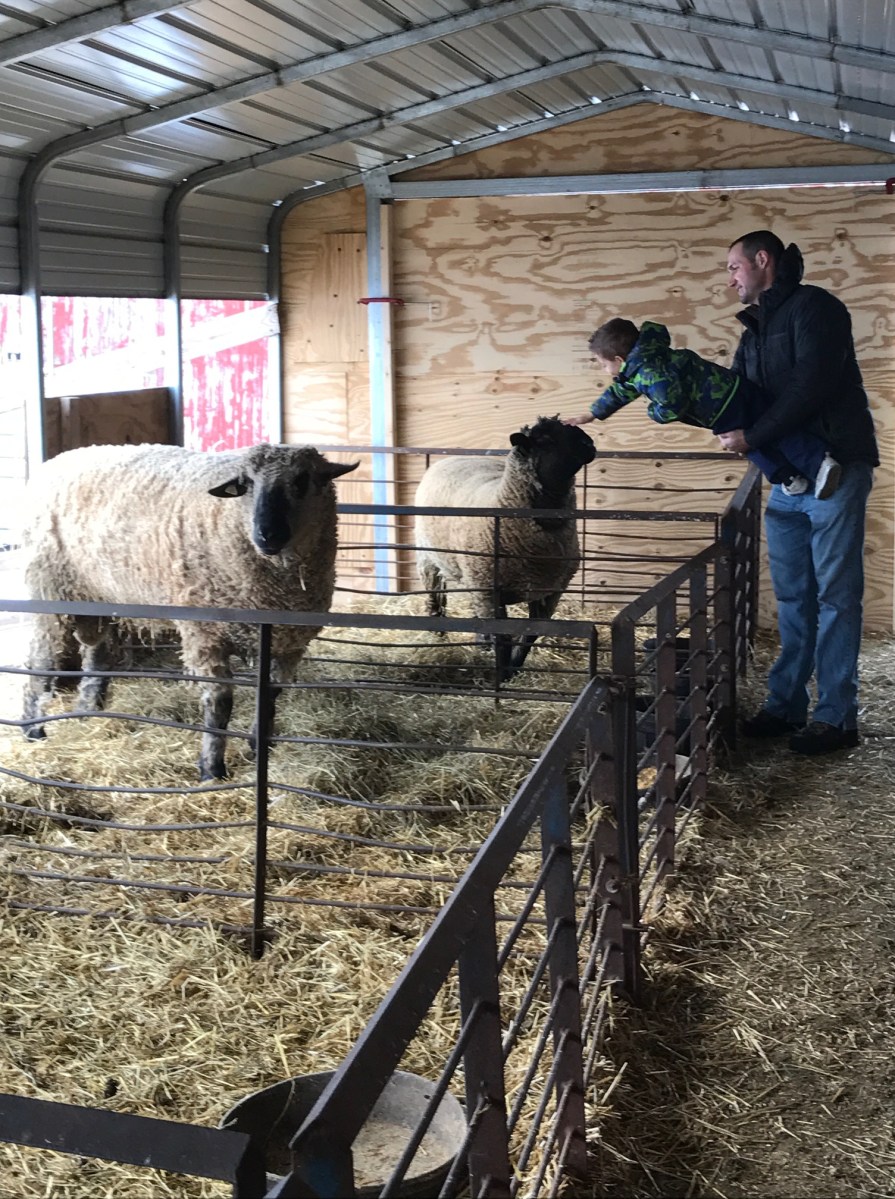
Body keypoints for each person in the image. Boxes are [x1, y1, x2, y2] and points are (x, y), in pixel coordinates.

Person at [719, 230, 879, 755]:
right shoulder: (754, 330)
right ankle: (786, 704)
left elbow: (812, 385)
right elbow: (738, 393)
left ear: (762, 260)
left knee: (835, 595)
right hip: (789, 478)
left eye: (734, 267)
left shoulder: (816, 309)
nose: (731, 279)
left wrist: (753, 436)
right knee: (793, 595)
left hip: (837, 466)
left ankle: (836, 717)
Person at [563, 318, 841, 499]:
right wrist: (592, 413)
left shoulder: (647, 374)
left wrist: (654, 413)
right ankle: (818, 461)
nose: (605, 371)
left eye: (604, 364)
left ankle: (792, 477)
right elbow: (620, 391)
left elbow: (673, 404)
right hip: (736, 388)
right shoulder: (652, 357)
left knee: (751, 445)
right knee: (772, 426)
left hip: (719, 411)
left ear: (619, 359)